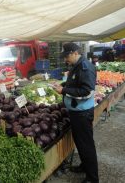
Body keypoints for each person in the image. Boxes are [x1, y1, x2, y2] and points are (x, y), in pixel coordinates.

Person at [51, 42, 99, 183]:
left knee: (86, 144)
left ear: (74, 53)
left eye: (66, 56)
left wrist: (64, 91)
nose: (65, 59)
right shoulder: (76, 66)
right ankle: (85, 166)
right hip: (77, 112)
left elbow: (87, 91)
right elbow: (75, 83)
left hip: (82, 114)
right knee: (81, 143)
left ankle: (92, 178)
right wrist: (63, 85)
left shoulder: (85, 68)